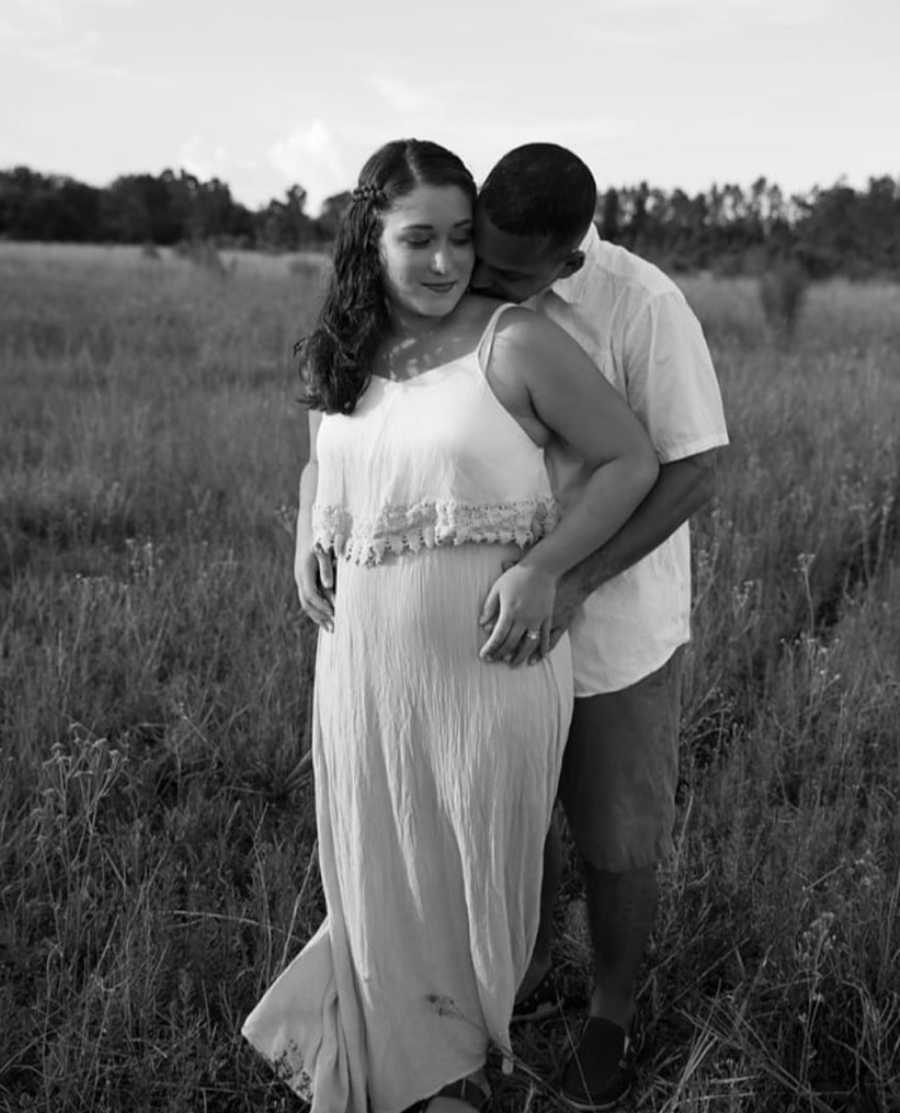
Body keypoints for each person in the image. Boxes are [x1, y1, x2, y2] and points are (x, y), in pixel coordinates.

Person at [241, 138, 658, 1113]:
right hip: (356, 668)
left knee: (472, 866)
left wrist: (548, 569)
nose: (443, 262)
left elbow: (629, 461)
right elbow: (323, 458)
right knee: (372, 864)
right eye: (417, 239)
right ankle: (407, 1072)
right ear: (368, 242)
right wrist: (309, 528)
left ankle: (464, 1067)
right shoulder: (343, 348)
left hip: (488, 669)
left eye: (460, 239)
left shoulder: (514, 340)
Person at [471, 143, 730, 1110]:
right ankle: (521, 978)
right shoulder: (462, 290)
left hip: (613, 629)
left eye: (509, 272)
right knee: (511, 830)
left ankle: (611, 1015)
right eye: (479, 255)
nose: (483, 281)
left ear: (568, 262)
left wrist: (576, 580)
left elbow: (695, 468)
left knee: (617, 840)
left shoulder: (644, 304)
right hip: (495, 628)